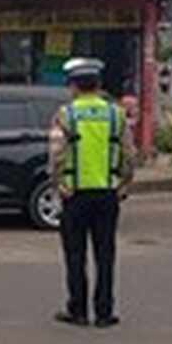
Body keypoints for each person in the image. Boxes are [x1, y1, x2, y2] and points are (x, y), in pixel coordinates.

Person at [48, 58, 135, 329]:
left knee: (75, 255)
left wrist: (57, 184)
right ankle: (105, 312)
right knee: (105, 255)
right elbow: (129, 154)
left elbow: (56, 153)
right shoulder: (116, 114)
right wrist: (124, 184)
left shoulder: (66, 115)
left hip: (74, 194)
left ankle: (78, 310)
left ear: (73, 86)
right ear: (98, 85)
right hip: (107, 194)